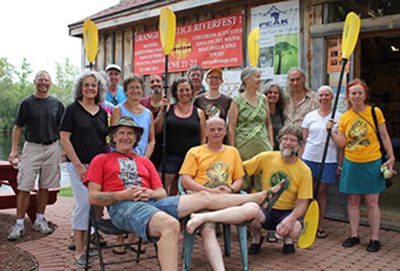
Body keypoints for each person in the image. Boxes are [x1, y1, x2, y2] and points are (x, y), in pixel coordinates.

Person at [85, 116, 285, 271]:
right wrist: (123, 195)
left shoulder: (144, 162)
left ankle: (258, 197)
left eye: (130, 133)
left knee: (204, 197)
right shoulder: (101, 160)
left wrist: (150, 193)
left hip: (152, 203)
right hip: (123, 207)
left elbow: (162, 192)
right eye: (121, 133)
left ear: (136, 138)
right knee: (170, 224)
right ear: (114, 137)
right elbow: (93, 198)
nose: (126, 137)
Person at [326, 79, 395, 253]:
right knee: (353, 200)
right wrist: (331, 133)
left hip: (372, 162)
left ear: (365, 95)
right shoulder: (345, 117)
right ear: (348, 97)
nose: (356, 96)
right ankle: (355, 235)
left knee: (372, 202)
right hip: (352, 162)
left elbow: (385, 136)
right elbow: (342, 142)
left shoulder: (375, 112)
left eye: (360, 93)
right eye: (353, 93)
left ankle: (374, 238)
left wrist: (392, 157)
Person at [180, 117, 247, 270]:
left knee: (251, 209)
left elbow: (239, 180)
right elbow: (185, 181)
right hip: (202, 199)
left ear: (225, 132)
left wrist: (230, 190)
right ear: (206, 132)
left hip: (226, 199)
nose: (216, 132)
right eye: (212, 129)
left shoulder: (233, 152)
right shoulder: (195, 152)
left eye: (219, 129)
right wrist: (210, 192)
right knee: (208, 230)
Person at [8, 71, 65, 240]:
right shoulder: (27, 103)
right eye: (40, 80)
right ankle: (19, 224)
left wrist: (65, 151)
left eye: (46, 80)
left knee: (45, 186)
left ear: (50, 83)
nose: (43, 82)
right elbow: (18, 128)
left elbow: (62, 130)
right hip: (32, 147)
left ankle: (39, 220)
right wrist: (14, 150)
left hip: (52, 147)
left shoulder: (57, 104)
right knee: (24, 186)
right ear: (35, 82)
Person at [60, 70, 108, 267]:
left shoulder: (103, 112)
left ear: (99, 89)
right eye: (86, 85)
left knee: (95, 206)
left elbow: (103, 141)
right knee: (82, 205)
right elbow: (64, 138)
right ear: (80, 88)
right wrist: (78, 165)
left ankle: (89, 243)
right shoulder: (72, 110)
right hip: (78, 165)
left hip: (99, 166)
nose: (90, 88)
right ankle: (79, 250)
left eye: (94, 85)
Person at [245, 125, 313, 255]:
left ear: (299, 145)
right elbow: (242, 168)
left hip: (287, 212)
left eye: (292, 140)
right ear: (279, 141)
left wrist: (291, 219)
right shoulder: (266, 157)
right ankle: (257, 238)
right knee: (248, 215)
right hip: (266, 208)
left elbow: (303, 202)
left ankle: (288, 240)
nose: (288, 143)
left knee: (295, 229)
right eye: (285, 139)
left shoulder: (304, 171)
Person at [300, 85, 343, 239]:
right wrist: (299, 161)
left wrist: (340, 164)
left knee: (321, 193)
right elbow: (304, 141)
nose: (324, 98)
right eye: (321, 95)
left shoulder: (338, 117)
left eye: (327, 95)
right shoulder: (310, 116)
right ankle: (302, 222)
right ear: (317, 98)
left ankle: (319, 225)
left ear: (332, 98)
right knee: (306, 192)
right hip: (309, 158)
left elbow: (341, 145)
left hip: (328, 160)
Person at [155, 77, 206, 195]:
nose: (184, 93)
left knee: (184, 190)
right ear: (176, 93)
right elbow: (156, 129)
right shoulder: (168, 109)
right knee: (160, 188)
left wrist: (202, 157)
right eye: (181, 90)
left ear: (192, 91)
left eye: (187, 90)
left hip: (191, 158)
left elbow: (203, 137)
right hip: (170, 156)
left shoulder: (199, 112)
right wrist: (161, 111)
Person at [228, 67, 274, 192]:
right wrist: (233, 150)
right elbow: (231, 128)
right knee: (243, 181)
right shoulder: (237, 101)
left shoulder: (263, 99)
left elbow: (268, 124)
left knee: (264, 180)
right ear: (247, 80)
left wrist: (271, 142)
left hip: (263, 146)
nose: (260, 80)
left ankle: (261, 209)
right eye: (257, 77)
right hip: (243, 147)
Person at [111, 74, 155, 158]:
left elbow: (151, 141)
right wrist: (134, 156)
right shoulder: (118, 110)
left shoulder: (148, 113)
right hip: (121, 157)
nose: (135, 90)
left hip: (142, 159)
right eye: (131, 88)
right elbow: (115, 136)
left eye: (138, 87)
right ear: (126, 91)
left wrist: (144, 159)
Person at [140, 72, 165, 169]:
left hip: (162, 146)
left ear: (163, 83)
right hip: (146, 144)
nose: (155, 84)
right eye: (152, 82)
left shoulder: (168, 103)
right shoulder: (142, 103)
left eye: (158, 81)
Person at [263, 82, 286, 150]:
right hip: (264, 146)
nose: (273, 95)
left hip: (279, 148)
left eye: (275, 93)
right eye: (270, 92)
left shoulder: (282, 112)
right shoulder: (261, 112)